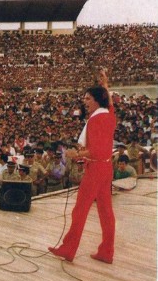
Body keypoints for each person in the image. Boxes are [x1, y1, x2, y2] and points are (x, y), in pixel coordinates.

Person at [49, 70, 116, 264]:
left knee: (80, 210)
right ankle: (106, 251)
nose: (85, 101)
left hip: (95, 169)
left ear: (96, 101)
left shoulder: (96, 119)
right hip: (106, 169)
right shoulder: (109, 115)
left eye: (88, 98)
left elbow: (95, 150)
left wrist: (75, 154)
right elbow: (109, 103)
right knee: (106, 212)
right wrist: (105, 85)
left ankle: (68, 249)